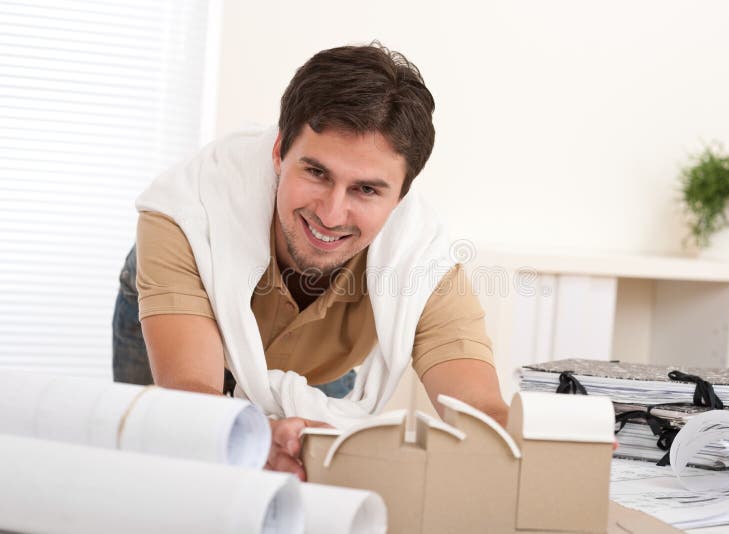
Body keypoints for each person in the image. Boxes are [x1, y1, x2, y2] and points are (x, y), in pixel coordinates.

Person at [112, 42, 507, 479]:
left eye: (366, 190)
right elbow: (190, 392)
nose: (331, 215)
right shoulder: (187, 212)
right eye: (317, 173)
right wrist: (255, 439)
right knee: (165, 462)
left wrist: (541, 450)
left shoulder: (422, 259)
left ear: (401, 197)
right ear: (279, 151)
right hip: (185, 325)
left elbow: (482, 411)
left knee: (312, 481)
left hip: (314, 364)